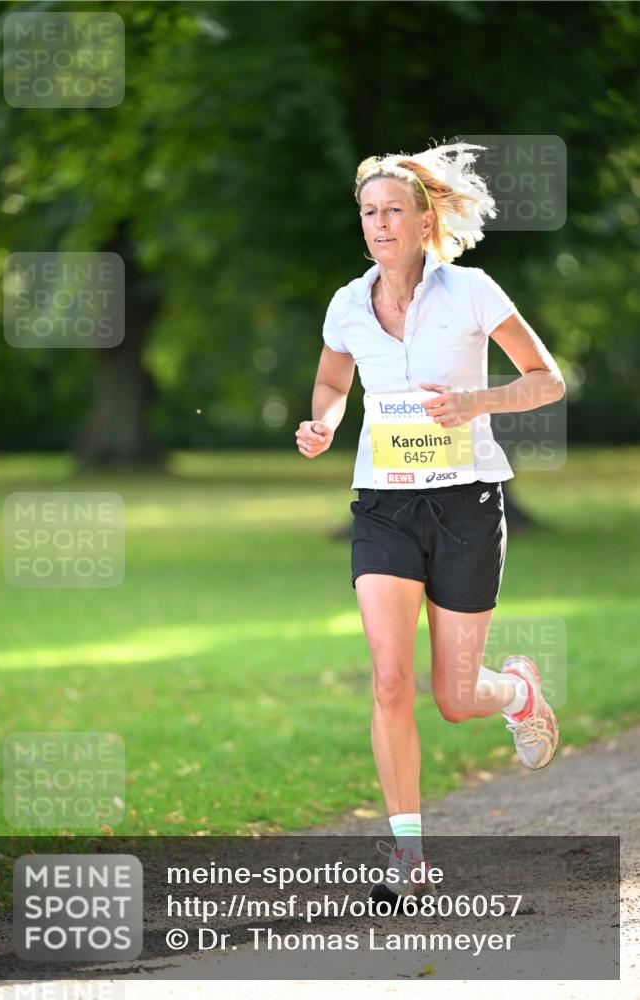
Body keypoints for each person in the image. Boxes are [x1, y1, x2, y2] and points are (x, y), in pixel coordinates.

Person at [294, 143, 566, 905]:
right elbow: (329, 378)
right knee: (388, 679)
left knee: (451, 695)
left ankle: (513, 692)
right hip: (383, 502)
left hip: (466, 503)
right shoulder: (348, 303)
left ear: (423, 222)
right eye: (368, 213)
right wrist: (322, 422)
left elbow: (545, 380)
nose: (379, 225)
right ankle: (407, 856)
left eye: (392, 212)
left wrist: (476, 402)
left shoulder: (472, 290)